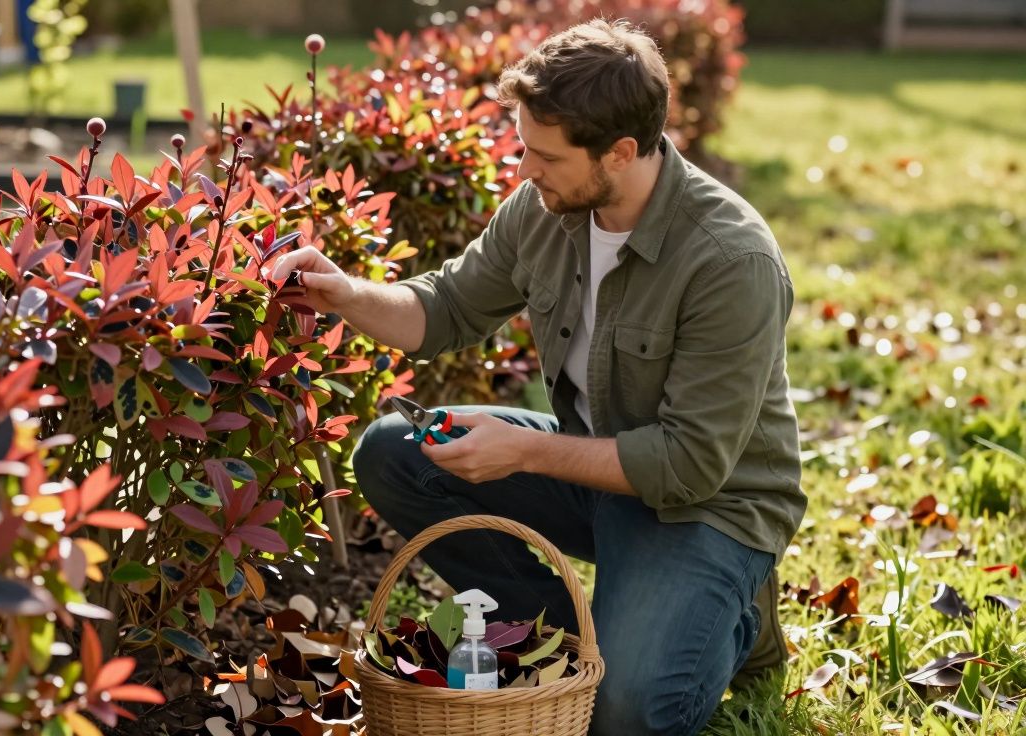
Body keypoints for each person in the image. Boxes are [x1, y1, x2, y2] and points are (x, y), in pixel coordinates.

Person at [269, 18, 803, 736]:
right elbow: (445, 308)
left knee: (626, 717)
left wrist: (523, 450)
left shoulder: (731, 261)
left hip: (706, 504)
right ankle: (568, 642)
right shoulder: (547, 207)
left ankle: (737, 620)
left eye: (545, 155)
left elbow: (690, 464)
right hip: (595, 469)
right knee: (396, 451)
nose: (525, 170)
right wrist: (345, 294)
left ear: (620, 152)